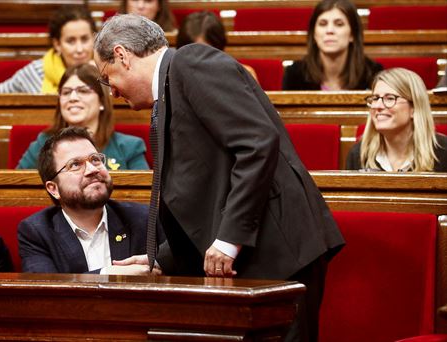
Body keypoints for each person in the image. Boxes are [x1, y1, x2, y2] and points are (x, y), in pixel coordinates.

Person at [94, 14, 345, 342]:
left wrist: (228, 241)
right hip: (259, 262)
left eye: (106, 76)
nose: (111, 92)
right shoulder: (170, 88)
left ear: (123, 56)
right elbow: (201, 186)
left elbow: (257, 144)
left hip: (280, 255)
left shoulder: (192, 62)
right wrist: (161, 259)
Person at [18, 127, 152, 275]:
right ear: (53, 189)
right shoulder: (37, 231)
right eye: (75, 165)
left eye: (95, 159)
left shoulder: (144, 219)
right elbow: (46, 289)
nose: (92, 169)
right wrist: (109, 275)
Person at [16, 64, 149, 170]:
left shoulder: (129, 147)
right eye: (66, 92)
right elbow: (18, 188)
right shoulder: (43, 143)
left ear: (102, 102)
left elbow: (142, 197)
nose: (73, 98)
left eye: (83, 91)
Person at [346, 68, 447, 172]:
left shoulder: (444, 152)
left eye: (390, 98)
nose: (378, 106)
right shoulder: (358, 154)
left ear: (414, 108)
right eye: (375, 98)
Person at [0, 5, 96, 94]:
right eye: (71, 41)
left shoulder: (105, 71)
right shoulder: (34, 73)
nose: (79, 49)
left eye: (85, 39)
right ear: (57, 44)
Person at [282, 0, 382, 90]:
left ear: (352, 34)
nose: (329, 30)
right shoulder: (295, 74)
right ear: (314, 35)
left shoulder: (372, 73)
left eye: (339, 24)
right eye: (323, 24)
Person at [176, 10, 258, 82]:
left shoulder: (243, 75)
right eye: (191, 54)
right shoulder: (169, 78)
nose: (198, 62)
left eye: (204, 54)